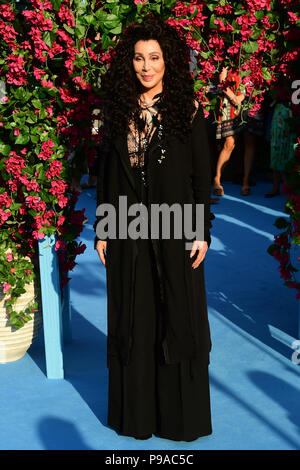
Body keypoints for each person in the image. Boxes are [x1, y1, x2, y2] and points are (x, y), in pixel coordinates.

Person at [93, 15, 213, 441]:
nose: (146, 66)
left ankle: (179, 421)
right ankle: (136, 418)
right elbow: (106, 176)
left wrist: (200, 230)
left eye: (155, 58)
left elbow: (201, 179)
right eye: (139, 58)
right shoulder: (116, 113)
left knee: (177, 319)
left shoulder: (188, 111)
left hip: (176, 228)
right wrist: (104, 227)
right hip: (127, 230)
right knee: (133, 320)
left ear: (169, 62)